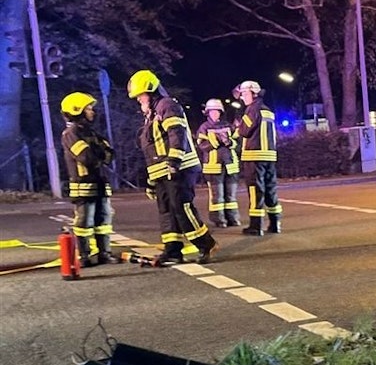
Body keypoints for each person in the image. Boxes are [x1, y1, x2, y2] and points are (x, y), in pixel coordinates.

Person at [126, 69, 217, 265]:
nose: (139, 100)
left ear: (151, 91)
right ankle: (173, 250)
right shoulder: (152, 114)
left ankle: (205, 244)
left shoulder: (167, 106)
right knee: (166, 210)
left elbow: (177, 133)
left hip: (180, 168)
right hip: (163, 173)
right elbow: (153, 150)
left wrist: (174, 161)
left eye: (141, 95)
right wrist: (152, 180)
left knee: (182, 207)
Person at [59, 91, 117, 267]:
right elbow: (86, 157)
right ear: (77, 110)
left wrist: (98, 152)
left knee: (104, 220)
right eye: (88, 108)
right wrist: (99, 152)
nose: (92, 111)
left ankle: (104, 253)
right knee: (85, 221)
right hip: (83, 186)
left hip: (99, 183)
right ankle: (85, 256)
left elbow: (110, 155)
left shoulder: (91, 132)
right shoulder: (71, 133)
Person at [232, 79, 282, 236]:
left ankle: (256, 226)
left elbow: (245, 131)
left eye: (244, 94)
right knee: (271, 190)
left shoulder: (252, 109)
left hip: (254, 156)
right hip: (270, 156)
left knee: (255, 191)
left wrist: (237, 127)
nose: (242, 97)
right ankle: (275, 224)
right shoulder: (268, 110)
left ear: (253, 93)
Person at [196, 98, 241, 227]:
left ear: (221, 112)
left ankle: (232, 218)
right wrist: (217, 142)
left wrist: (230, 142)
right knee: (218, 196)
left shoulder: (228, 126)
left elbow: (237, 143)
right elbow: (201, 145)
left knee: (231, 196)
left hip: (230, 165)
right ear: (208, 113)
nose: (215, 114)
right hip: (213, 167)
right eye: (212, 112)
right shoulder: (204, 128)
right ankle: (219, 219)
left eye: (217, 111)